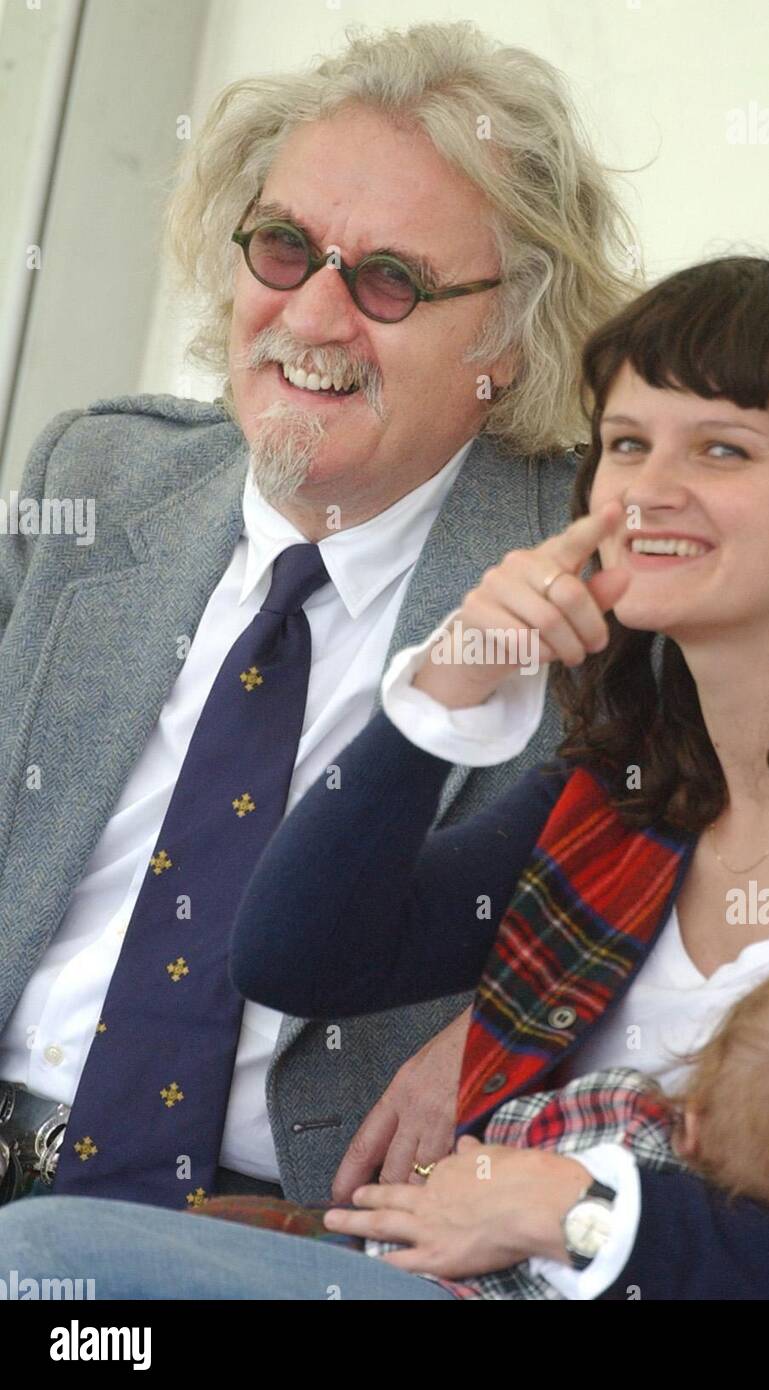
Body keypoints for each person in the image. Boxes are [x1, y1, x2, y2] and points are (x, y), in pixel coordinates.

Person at [5, 254, 769, 1299]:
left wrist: (578, 1209)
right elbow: (294, 954)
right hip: (453, 1278)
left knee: (47, 1266)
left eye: (723, 450)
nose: (649, 489)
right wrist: (445, 690)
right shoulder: (630, 793)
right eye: (627, 444)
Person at [0, 21, 637, 1211]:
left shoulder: (591, 572)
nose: (315, 317)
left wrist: (508, 1025)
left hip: (267, 1229)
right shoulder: (96, 479)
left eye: (389, 280)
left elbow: (731, 838)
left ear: (508, 338)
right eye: (286, 248)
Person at [188, 959, 769, 1302]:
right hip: (386, 1258)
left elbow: (494, 1142)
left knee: (170, 1244)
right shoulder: (745, 1260)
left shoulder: (621, 1110)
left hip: (382, 1253)